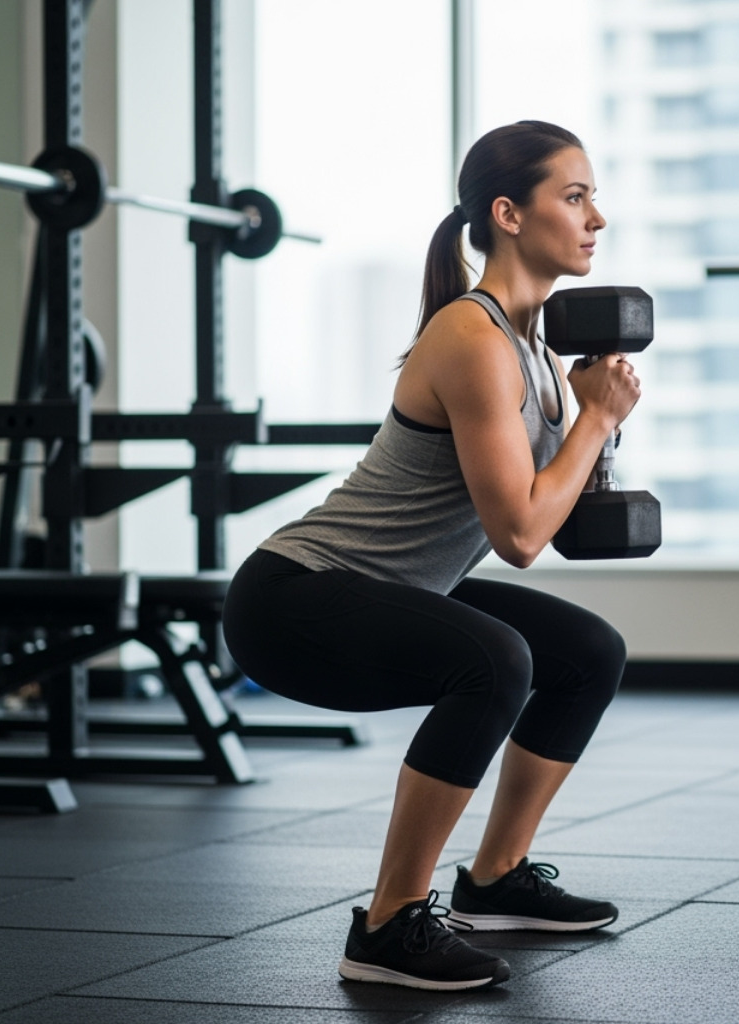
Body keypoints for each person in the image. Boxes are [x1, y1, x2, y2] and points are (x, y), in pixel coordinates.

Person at [223, 121, 638, 992]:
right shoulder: (473, 338)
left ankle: (494, 880)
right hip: (294, 600)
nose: (598, 217)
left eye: (593, 196)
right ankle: (386, 926)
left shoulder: (536, 351)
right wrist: (594, 421)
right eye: (575, 196)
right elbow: (522, 538)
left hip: (389, 589)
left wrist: (594, 422)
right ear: (508, 214)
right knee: (497, 660)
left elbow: (552, 520)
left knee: (588, 652)